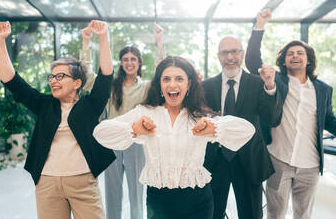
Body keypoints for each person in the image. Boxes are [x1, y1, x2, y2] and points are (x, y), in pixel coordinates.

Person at [93, 56, 256, 219]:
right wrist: (133, 129)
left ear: (189, 84)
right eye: (166, 79)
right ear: (159, 84)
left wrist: (215, 129)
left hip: (199, 202)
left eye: (179, 78)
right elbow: (100, 133)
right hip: (158, 204)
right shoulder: (145, 112)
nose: (172, 84)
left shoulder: (200, 116)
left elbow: (247, 130)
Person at [0, 20, 115, 219]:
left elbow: (106, 76)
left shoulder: (90, 105)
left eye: (60, 76)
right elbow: (13, 82)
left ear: (77, 83)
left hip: (83, 182)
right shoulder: (44, 104)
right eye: (52, 77)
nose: (53, 81)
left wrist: (103, 38)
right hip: (47, 183)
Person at [245, 9, 336, 219]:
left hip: (310, 164)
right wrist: (260, 25)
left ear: (308, 60)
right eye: (290, 54)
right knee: (275, 214)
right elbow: (252, 62)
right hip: (279, 159)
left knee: (303, 215)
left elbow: (330, 121)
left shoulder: (323, 89)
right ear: (284, 61)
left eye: (300, 53)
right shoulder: (277, 81)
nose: (295, 56)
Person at [80, 23, 165, 219]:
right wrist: (86, 42)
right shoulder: (110, 85)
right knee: (112, 193)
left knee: (137, 192)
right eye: (125, 59)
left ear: (139, 63)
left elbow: (162, 74)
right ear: (120, 63)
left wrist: (159, 42)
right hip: (112, 142)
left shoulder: (146, 87)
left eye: (133, 59)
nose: (129, 62)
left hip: (137, 141)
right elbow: (86, 77)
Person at [202, 32, 283, 218]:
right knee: (212, 213)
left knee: (251, 214)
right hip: (216, 159)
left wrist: (270, 87)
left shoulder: (258, 83)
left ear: (242, 53)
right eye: (224, 53)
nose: (229, 57)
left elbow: (272, 118)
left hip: (249, 159)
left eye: (234, 51)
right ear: (218, 56)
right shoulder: (206, 86)